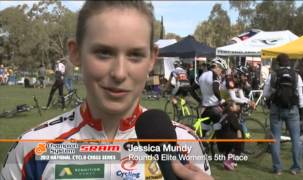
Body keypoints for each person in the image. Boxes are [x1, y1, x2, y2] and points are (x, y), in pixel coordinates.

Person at [0, 1, 213, 179]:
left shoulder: (185, 144)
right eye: (103, 52)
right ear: (75, 53)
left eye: (135, 55)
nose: (119, 73)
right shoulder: (32, 148)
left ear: (151, 59)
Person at [263, 53, 303, 175]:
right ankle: (296, 167)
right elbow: (301, 96)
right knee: (296, 139)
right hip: (293, 109)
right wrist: (302, 112)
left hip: (276, 109)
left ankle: (278, 168)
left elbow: (265, 94)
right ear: (289, 62)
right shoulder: (296, 75)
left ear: (278, 63)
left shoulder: (273, 75)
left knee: (275, 138)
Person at [198, 57, 228, 133]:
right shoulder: (215, 76)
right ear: (217, 66)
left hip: (205, 109)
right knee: (221, 130)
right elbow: (215, 89)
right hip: (214, 108)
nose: (221, 72)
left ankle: (205, 143)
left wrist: (199, 100)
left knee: (204, 132)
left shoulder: (202, 75)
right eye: (221, 69)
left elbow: (191, 89)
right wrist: (221, 100)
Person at [215, 100, 242, 171]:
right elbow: (237, 127)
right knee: (240, 142)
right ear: (231, 107)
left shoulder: (224, 114)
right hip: (228, 139)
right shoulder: (232, 115)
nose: (237, 106)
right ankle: (230, 161)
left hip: (220, 140)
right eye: (235, 105)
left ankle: (228, 160)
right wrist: (239, 136)